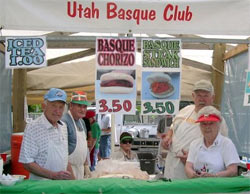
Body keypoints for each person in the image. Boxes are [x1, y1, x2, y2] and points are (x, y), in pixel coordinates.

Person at [162, 79, 228, 179]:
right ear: (193, 96)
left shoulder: (218, 120)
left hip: (195, 171)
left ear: (212, 98)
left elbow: (220, 149)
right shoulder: (185, 110)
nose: (202, 99)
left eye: (205, 95)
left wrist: (194, 158)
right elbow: (173, 126)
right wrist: (168, 137)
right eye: (198, 95)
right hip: (172, 166)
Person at [19, 88, 74, 180]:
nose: (57, 111)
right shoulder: (34, 127)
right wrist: (53, 175)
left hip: (61, 185)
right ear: (43, 106)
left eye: (61, 107)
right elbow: (27, 163)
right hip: (42, 187)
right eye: (53, 106)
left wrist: (73, 182)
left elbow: (65, 158)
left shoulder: (63, 126)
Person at [185, 106, 240, 178]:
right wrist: (193, 175)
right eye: (204, 124)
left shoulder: (226, 143)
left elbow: (233, 170)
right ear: (200, 126)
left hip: (218, 187)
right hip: (198, 185)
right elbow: (188, 166)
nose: (207, 127)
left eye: (211, 123)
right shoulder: (194, 144)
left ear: (218, 125)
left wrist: (214, 176)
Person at [61, 91, 91, 179]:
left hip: (80, 169)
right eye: (79, 106)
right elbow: (63, 155)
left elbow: (84, 145)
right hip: (67, 170)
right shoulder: (64, 122)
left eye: (84, 106)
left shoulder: (82, 122)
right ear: (71, 106)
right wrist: (72, 178)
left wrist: (86, 165)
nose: (82, 109)